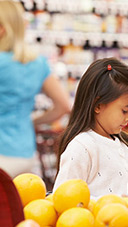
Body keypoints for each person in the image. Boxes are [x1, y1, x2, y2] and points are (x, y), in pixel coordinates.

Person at [53, 57, 128, 201]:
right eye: (124, 111)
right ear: (98, 105)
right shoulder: (82, 147)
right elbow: (63, 198)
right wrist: (112, 203)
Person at [0, 1, 71, 178]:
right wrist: (31, 122)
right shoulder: (37, 63)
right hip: (24, 154)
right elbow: (63, 106)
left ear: (2, 28)